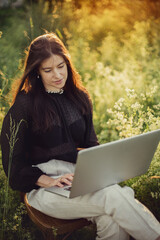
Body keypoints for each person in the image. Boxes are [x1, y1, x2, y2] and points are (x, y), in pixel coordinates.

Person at [1, 33, 160, 240]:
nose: (57, 75)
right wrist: (48, 180)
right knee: (115, 196)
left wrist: (103, 166)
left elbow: (90, 145)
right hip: (42, 189)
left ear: (67, 63)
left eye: (61, 66)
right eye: (48, 70)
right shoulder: (24, 106)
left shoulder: (79, 97)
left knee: (109, 217)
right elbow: (14, 168)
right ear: (37, 72)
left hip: (80, 178)